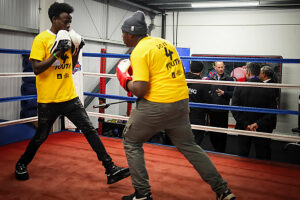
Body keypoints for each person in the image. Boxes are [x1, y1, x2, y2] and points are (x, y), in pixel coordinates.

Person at [116, 11, 235, 200]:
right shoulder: (164, 43)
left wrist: (123, 78)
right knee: (190, 146)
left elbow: (139, 90)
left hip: (156, 104)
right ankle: (223, 191)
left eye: (123, 33)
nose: (122, 37)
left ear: (131, 34)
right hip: (180, 104)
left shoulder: (139, 50)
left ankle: (142, 194)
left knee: (131, 141)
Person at [14, 2, 130, 185]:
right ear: (54, 19)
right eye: (65, 21)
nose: (68, 25)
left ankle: (110, 168)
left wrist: (77, 49)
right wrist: (57, 52)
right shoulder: (41, 39)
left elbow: (71, 66)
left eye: (70, 21)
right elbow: (36, 69)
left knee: (89, 130)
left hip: (69, 97)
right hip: (49, 99)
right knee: (41, 136)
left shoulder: (68, 38)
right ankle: (21, 164)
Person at [232, 63, 277, 160]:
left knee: (243, 156)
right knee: (263, 156)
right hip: (262, 128)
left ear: (248, 72)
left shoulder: (239, 87)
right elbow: (272, 111)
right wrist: (257, 124)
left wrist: (245, 124)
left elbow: (235, 108)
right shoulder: (269, 89)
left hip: (244, 127)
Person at [207, 61, 235, 153]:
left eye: (222, 67)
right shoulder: (211, 79)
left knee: (222, 132)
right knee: (213, 131)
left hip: (223, 110)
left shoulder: (229, 79)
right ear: (215, 68)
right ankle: (215, 148)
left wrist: (224, 93)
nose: (221, 69)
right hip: (212, 110)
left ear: (224, 67)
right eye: (219, 67)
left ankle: (222, 150)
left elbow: (234, 94)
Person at [185, 61, 209, 145]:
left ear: (190, 69)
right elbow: (207, 101)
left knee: (184, 138)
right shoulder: (202, 84)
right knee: (197, 140)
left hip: (182, 114)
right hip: (198, 116)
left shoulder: (183, 81)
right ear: (201, 71)